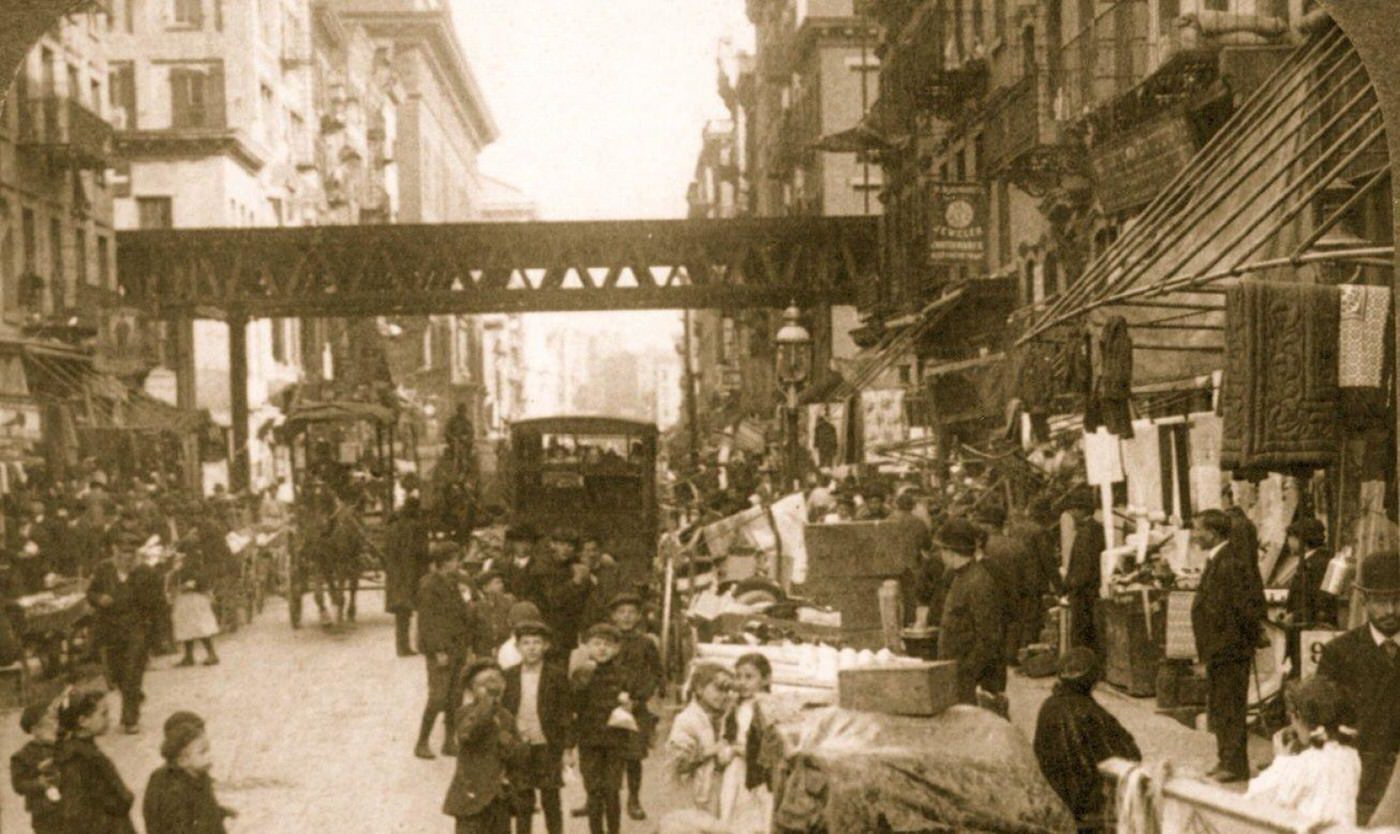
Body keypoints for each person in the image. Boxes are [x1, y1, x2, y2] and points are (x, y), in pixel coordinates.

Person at [1316, 548, 1400, 824]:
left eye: (1399, 600)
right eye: (1381, 601)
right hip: (1358, 790)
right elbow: (1322, 725)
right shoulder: (1339, 654)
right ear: (1364, 600)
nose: (1391, 611)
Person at [1191, 508, 1267, 783]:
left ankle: (1234, 765)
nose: (1195, 534)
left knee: (1230, 706)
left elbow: (1243, 608)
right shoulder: (1220, 559)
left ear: (1212, 533)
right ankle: (1226, 759)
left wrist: (1240, 642)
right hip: (1220, 648)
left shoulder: (1229, 563)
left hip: (1229, 649)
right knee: (1222, 706)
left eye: (1197, 529)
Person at [1033, 647, 1141, 832]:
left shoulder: (1048, 707)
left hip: (1053, 802)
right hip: (1089, 812)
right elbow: (1129, 756)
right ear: (1092, 680)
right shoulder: (1092, 714)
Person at [1245, 676, 1360, 826]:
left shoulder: (1302, 765)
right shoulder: (1351, 757)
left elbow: (1254, 798)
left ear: (1297, 717)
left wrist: (1281, 761)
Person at [87, 530, 168, 733]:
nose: (127, 557)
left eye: (131, 552)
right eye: (123, 552)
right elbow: (91, 592)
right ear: (115, 551)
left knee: (132, 671)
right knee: (116, 673)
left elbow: (159, 605)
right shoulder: (103, 569)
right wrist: (98, 599)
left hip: (137, 628)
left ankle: (130, 719)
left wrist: (159, 637)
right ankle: (135, 696)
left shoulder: (146, 573)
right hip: (110, 628)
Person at [503, 621, 573, 834]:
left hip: (547, 745)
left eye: (537, 643)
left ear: (546, 646)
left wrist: (568, 749)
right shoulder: (508, 676)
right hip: (520, 747)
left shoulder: (557, 675)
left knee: (551, 799)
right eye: (526, 643)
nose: (532, 648)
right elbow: (504, 713)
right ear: (517, 647)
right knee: (523, 801)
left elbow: (566, 713)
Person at [443, 659, 526, 834]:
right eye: (483, 684)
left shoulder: (506, 717)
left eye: (496, 681)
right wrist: (487, 703)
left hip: (498, 798)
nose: (491, 688)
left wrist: (510, 744)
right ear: (470, 690)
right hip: (471, 798)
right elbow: (468, 733)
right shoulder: (464, 713)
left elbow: (519, 758)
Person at [416, 541, 481, 759]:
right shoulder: (429, 585)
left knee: (455, 696)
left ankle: (448, 741)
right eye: (454, 559)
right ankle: (422, 742)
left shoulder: (456, 582)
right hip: (442, 650)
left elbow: (465, 614)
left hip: (458, 646)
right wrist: (438, 650)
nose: (457, 563)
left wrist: (470, 606)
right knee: (437, 697)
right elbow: (427, 622)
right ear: (443, 563)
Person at [572, 623, 636, 834]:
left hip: (615, 741)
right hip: (589, 740)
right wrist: (582, 680)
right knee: (593, 791)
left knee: (612, 790)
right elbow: (573, 704)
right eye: (596, 644)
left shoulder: (623, 673)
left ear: (617, 648)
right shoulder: (581, 673)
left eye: (607, 644)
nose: (602, 649)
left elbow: (635, 699)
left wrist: (629, 704)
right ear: (587, 647)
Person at [935, 518, 1005, 706]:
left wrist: (968, 673)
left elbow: (989, 636)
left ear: (951, 551)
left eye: (942, 549)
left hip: (969, 678)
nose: (941, 554)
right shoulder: (960, 576)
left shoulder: (977, 582)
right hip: (958, 672)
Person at [54, 689, 137, 833]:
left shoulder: (71, 750)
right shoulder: (85, 757)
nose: (109, 718)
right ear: (83, 721)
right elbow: (120, 797)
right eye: (103, 714)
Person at [610, 593, 662, 822]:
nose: (626, 617)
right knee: (605, 754)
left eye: (631, 613)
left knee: (633, 756)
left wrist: (639, 699)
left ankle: (634, 798)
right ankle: (599, 796)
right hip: (608, 705)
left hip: (636, 707)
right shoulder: (607, 640)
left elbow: (655, 674)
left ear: (639, 616)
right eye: (621, 612)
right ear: (613, 616)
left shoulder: (646, 643)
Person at [142, 711, 236, 833]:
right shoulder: (172, 789)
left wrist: (219, 812)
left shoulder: (197, 773)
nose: (211, 756)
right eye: (203, 751)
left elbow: (202, 807)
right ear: (182, 759)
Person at [665, 662, 734, 820]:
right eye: (718, 689)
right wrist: (711, 751)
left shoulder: (724, 717)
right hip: (690, 794)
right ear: (699, 689)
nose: (723, 695)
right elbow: (680, 764)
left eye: (726, 690)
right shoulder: (687, 720)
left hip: (715, 791)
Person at [721, 653, 773, 834]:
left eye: (749, 677)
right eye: (738, 676)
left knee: (761, 813)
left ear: (766, 679)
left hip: (759, 771)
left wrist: (735, 750)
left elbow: (767, 746)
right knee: (733, 810)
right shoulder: (736, 706)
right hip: (738, 769)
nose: (742, 682)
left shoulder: (767, 707)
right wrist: (727, 747)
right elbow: (730, 734)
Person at [385, 497, 431, 657]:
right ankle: (423, 644)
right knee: (425, 609)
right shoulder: (417, 526)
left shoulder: (392, 527)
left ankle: (402, 647)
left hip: (396, 576)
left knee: (401, 613)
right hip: (414, 574)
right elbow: (423, 553)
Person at [12, 697, 62, 834]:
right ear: (35, 730)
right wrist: (38, 783)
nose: (56, 725)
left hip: (68, 808)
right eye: (50, 721)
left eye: (57, 720)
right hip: (43, 812)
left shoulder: (63, 748)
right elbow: (18, 785)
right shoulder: (23, 756)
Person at [1062, 489, 1104, 655]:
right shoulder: (1095, 529)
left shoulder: (1086, 533)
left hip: (1083, 593)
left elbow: (1083, 567)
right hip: (1090, 589)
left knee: (1080, 634)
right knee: (1089, 633)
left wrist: (1069, 585)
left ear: (1082, 510)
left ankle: (1081, 668)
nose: (1071, 513)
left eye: (1074, 509)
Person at [171, 538, 221, 668]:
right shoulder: (192, 562)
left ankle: (211, 654)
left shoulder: (191, 563)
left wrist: (183, 585)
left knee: (198, 626)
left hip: (193, 597)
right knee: (188, 627)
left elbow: (196, 580)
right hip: (188, 598)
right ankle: (189, 656)